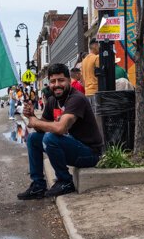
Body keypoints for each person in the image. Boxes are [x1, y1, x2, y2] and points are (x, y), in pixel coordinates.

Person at [18, 63, 103, 199]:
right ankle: (38, 185)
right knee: (33, 138)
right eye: (53, 81)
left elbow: (61, 128)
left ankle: (65, 181)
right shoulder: (52, 101)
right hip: (71, 146)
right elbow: (42, 127)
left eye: (61, 80)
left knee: (50, 138)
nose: (56, 85)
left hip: (89, 153)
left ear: (69, 80)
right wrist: (31, 116)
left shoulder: (77, 99)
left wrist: (35, 122)